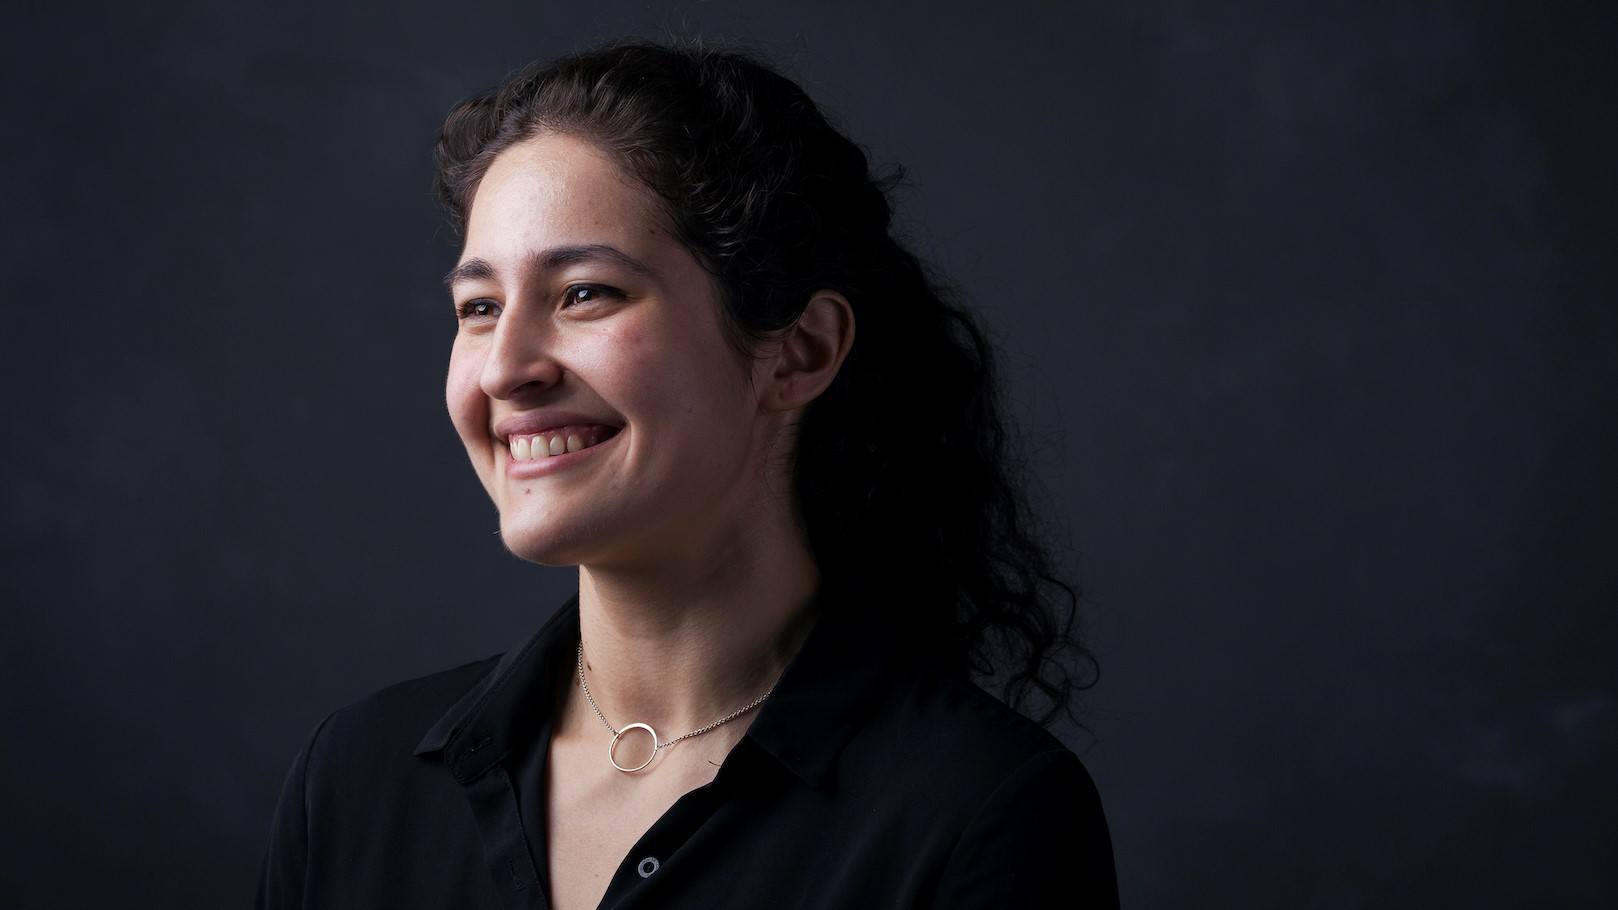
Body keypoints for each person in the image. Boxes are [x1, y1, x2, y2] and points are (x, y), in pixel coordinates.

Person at [256, 36, 1118, 910]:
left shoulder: (980, 815)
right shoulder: (352, 785)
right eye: (479, 308)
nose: (504, 367)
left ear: (800, 353)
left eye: (585, 292)